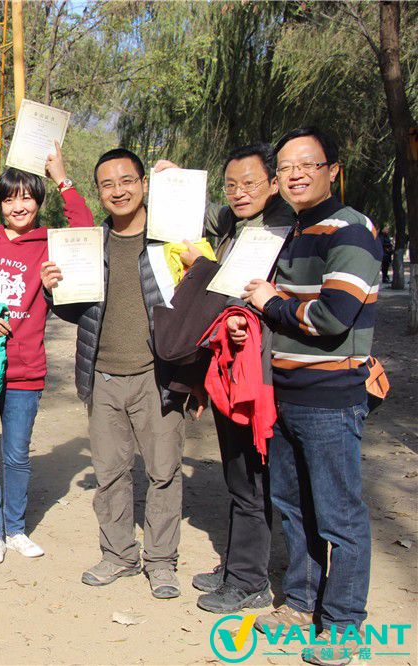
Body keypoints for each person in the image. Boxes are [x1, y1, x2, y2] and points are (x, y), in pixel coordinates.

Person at [242, 127, 381, 666]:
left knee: (339, 516)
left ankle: (343, 625)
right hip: (286, 393)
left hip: (330, 397)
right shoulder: (293, 230)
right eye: (286, 168)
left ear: (332, 170)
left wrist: (271, 302)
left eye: (308, 164)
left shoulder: (351, 231)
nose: (296, 174)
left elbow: (333, 316)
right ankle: (300, 605)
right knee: (293, 508)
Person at [44, 148, 196, 600]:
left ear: (144, 184)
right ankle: (118, 555)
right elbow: (78, 311)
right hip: (103, 375)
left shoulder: (170, 240)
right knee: (110, 472)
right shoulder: (90, 245)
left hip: (157, 375)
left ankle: (161, 562)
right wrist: (53, 289)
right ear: (99, 192)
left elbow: (206, 251)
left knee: (163, 472)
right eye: (107, 184)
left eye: (127, 180)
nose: (118, 191)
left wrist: (180, 182)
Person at [153, 143, 295, 614]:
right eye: (232, 184)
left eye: (250, 183)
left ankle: (249, 580)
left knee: (251, 477)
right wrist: (177, 178)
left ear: (273, 183)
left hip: (259, 372)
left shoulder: (281, 230)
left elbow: (257, 295)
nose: (239, 192)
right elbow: (205, 214)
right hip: (230, 366)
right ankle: (238, 564)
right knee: (238, 474)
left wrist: (208, 274)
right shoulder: (238, 223)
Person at [0, 143, 94, 565]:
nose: (19, 206)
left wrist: (62, 177)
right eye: (10, 199)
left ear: (38, 201)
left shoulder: (50, 244)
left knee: (17, 454)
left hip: (26, 369)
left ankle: (14, 528)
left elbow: (85, 229)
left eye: (27, 197)